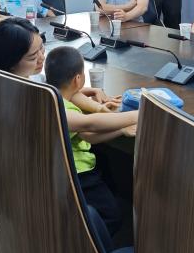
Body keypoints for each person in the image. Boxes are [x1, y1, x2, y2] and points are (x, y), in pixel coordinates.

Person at [44, 45, 137, 237]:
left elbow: (87, 136)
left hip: (61, 172)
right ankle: (87, 245)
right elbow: (90, 126)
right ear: (78, 79)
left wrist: (119, 128)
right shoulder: (65, 110)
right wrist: (140, 113)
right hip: (79, 174)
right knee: (112, 216)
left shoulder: (47, 94)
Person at [0, 17, 119, 112]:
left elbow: (61, 93)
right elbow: (86, 124)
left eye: (42, 48)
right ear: (10, 62)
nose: (42, 57)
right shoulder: (23, 96)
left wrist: (94, 96)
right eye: (33, 57)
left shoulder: (31, 78)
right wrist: (127, 117)